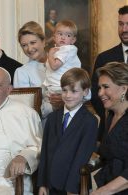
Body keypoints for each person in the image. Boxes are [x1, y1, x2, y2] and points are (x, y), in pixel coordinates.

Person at [37, 68, 98, 195]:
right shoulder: (53, 117)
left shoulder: (90, 121)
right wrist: (42, 183)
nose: (68, 95)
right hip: (50, 184)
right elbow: (45, 152)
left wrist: (72, 188)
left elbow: (82, 158)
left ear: (85, 92)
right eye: (64, 90)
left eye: (74, 91)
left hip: (72, 186)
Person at [91, 5, 128, 141]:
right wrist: (112, 115)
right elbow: (95, 93)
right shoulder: (104, 58)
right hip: (110, 127)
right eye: (121, 24)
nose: (124, 29)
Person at [91, 62, 128, 195]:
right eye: (99, 87)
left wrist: (104, 191)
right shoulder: (110, 115)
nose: (100, 93)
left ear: (124, 88)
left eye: (106, 87)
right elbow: (107, 152)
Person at [41, 20, 84, 122]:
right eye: (60, 34)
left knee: (48, 110)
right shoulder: (59, 50)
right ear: (54, 36)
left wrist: (50, 54)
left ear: (73, 40)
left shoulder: (67, 49)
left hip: (60, 86)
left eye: (68, 35)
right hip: (55, 86)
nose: (63, 37)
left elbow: (55, 66)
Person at [13, 21, 46, 88]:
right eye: (24, 45)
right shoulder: (21, 72)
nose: (29, 49)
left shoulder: (62, 63)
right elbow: (23, 98)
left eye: (33, 43)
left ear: (43, 41)